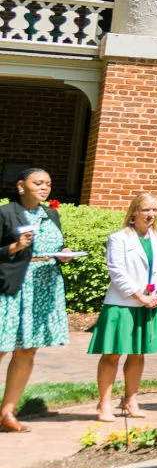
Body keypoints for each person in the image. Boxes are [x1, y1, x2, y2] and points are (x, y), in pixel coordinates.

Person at [91, 192, 157, 420]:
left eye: (155, 210)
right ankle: (104, 404)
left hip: (151, 303)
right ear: (134, 211)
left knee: (138, 354)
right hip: (123, 303)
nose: (151, 214)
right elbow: (116, 271)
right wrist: (139, 296)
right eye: (146, 209)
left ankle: (130, 400)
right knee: (112, 354)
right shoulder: (119, 238)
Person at [0, 167, 68, 433]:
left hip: (42, 288)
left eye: (48, 184)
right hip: (12, 287)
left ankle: (7, 413)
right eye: (38, 183)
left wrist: (63, 253)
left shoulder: (51, 214)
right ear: (21, 186)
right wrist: (14, 247)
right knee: (2, 346)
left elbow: (54, 246)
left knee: (27, 349)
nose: (44, 188)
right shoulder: (6, 213)